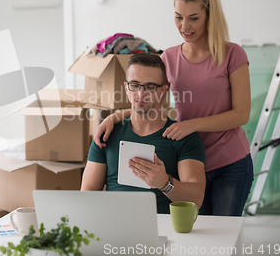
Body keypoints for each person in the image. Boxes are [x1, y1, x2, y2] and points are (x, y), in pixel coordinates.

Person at [94, 0, 253, 217]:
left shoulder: (232, 54)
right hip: (186, 159)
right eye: (178, 17)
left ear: (210, 16)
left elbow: (241, 114)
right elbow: (151, 99)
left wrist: (190, 125)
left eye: (193, 18)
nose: (184, 26)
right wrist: (116, 117)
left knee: (222, 236)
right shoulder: (167, 58)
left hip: (228, 162)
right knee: (195, 237)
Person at [81, 53, 206, 214]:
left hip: (163, 230)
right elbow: (88, 193)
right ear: (126, 88)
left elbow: (196, 199)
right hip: (114, 227)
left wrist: (165, 183)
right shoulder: (106, 135)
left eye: (150, 87)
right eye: (135, 85)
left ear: (163, 90)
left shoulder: (183, 137)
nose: (141, 94)